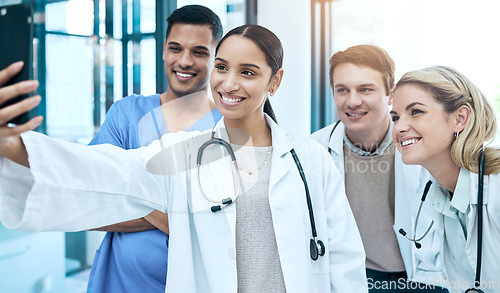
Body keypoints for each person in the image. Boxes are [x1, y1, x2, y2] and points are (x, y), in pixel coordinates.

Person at [0, 24, 367, 292]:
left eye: (248, 72)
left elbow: (344, 259)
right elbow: (102, 171)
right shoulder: (187, 152)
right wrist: (11, 145)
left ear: (275, 80)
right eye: (222, 67)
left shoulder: (311, 159)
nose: (228, 83)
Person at [86, 5, 223, 292]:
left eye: (199, 52)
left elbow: (224, 227)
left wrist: (131, 192)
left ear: (216, 58)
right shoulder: (126, 114)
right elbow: (88, 205)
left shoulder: (228, 128)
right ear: (163, 50)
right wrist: (175, 212)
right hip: (120, 284)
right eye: (176, 48)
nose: (184, 61)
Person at [311, 45, 447, 292]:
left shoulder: (421, 145)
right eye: (342, 90)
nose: (352, 101)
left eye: (365, 89)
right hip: (350, 278)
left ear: (390, 95)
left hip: (420, 277)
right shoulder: (314, 150)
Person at [390, 65, 500, 293]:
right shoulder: (441, 196)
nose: (399, 127)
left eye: (416, 111)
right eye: (395, 117)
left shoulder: (496, 186)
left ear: (460, 118)